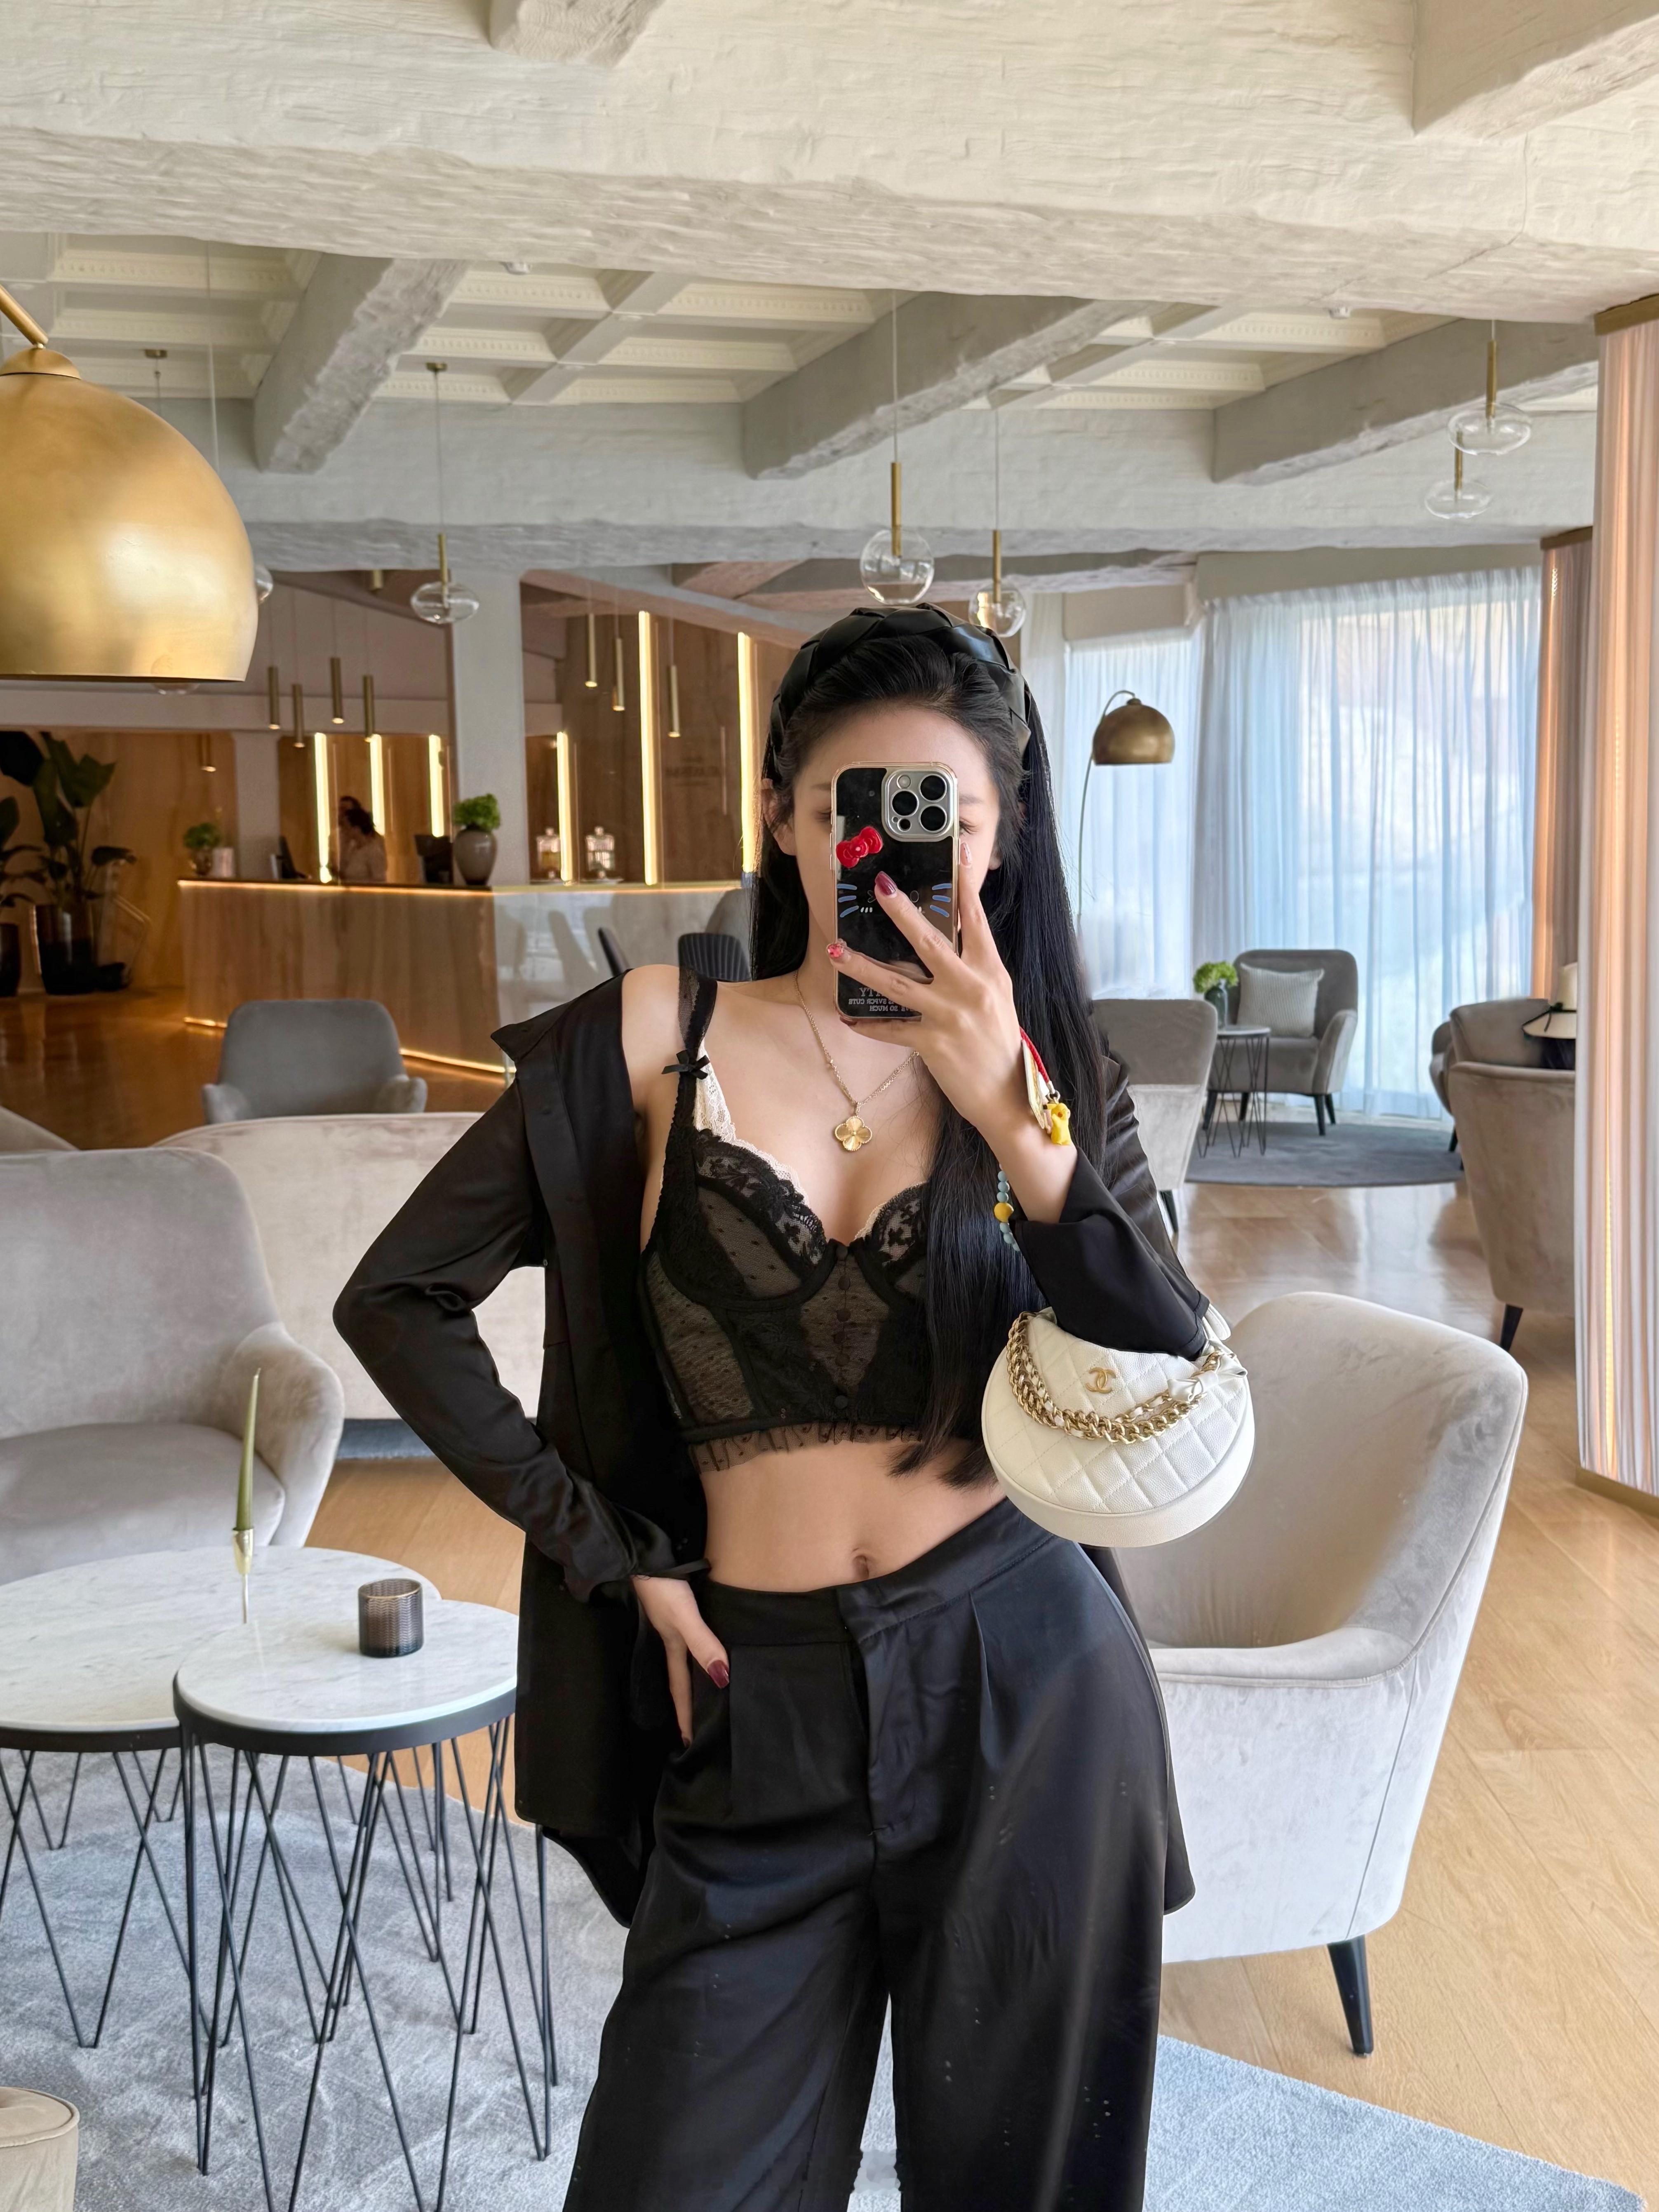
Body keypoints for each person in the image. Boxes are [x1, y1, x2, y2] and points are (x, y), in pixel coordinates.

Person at [336, 604, 1210, 2212]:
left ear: (1002, 835)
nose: (899, 846)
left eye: (946, 813)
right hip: (760, 1696)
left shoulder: (1052, 1073)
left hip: (1025, 1678)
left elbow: (1168, 1357)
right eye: (853, 806)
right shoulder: (648, 1042)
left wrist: (1017, 1121)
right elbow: (397, 1300)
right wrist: (609, 1549)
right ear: (787, 819)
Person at [334, 793, 388, 882]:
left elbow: (379, 880)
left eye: (347, 827)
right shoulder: (352, 849)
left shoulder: (373, 851)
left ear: (356, 829)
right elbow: (344, 873)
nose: (345, 830)